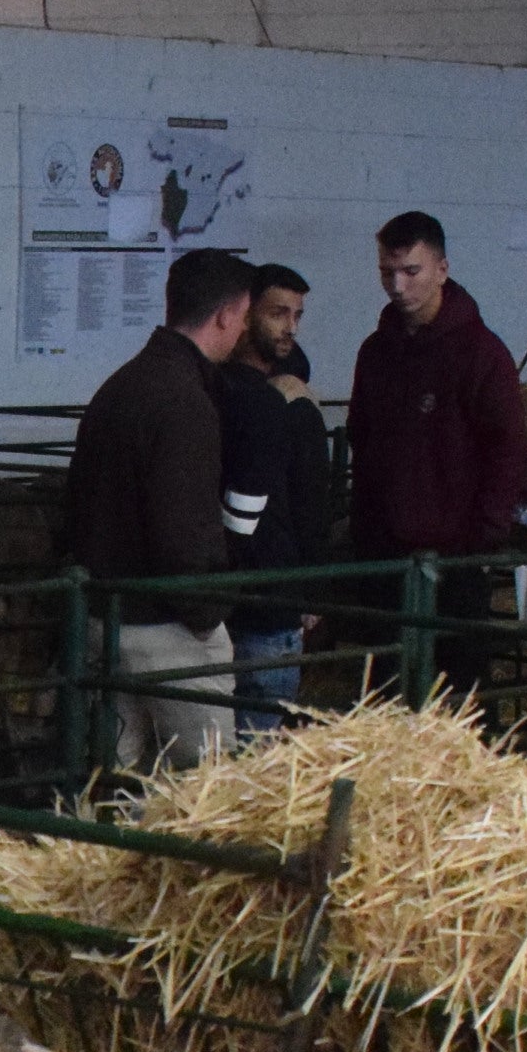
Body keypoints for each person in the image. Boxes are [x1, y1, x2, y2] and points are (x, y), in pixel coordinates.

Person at [61, 243, 253, 776]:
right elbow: (183, 533)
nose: (243, 332)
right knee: (206, 789)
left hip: (106, 614)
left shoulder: (120, 386)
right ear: (225, 315)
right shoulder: (184, 402)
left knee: (114, 783)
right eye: (243, 317)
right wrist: (208, 609)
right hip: (168, 629)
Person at [343, 209, 527, 700]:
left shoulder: (482, 355)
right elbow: (362, 439)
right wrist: (365, 528)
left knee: (461, 692)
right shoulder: (376, 352)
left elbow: (508, 448)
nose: (397, 286)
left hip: (456, 559)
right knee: (386, 687)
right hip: (387, 554)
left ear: (442, 269)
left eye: (412, 271)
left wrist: (481, 538)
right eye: (387, 272)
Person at [215, 262, 330, 739]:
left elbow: (311, 499)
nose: (290, 328)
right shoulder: (234, 392)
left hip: (265, 592)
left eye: (297, 315)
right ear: (244, 314)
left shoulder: (288, 400)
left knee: (252, 736)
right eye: (278, 313)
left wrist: (309, 588)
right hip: (234, 597)